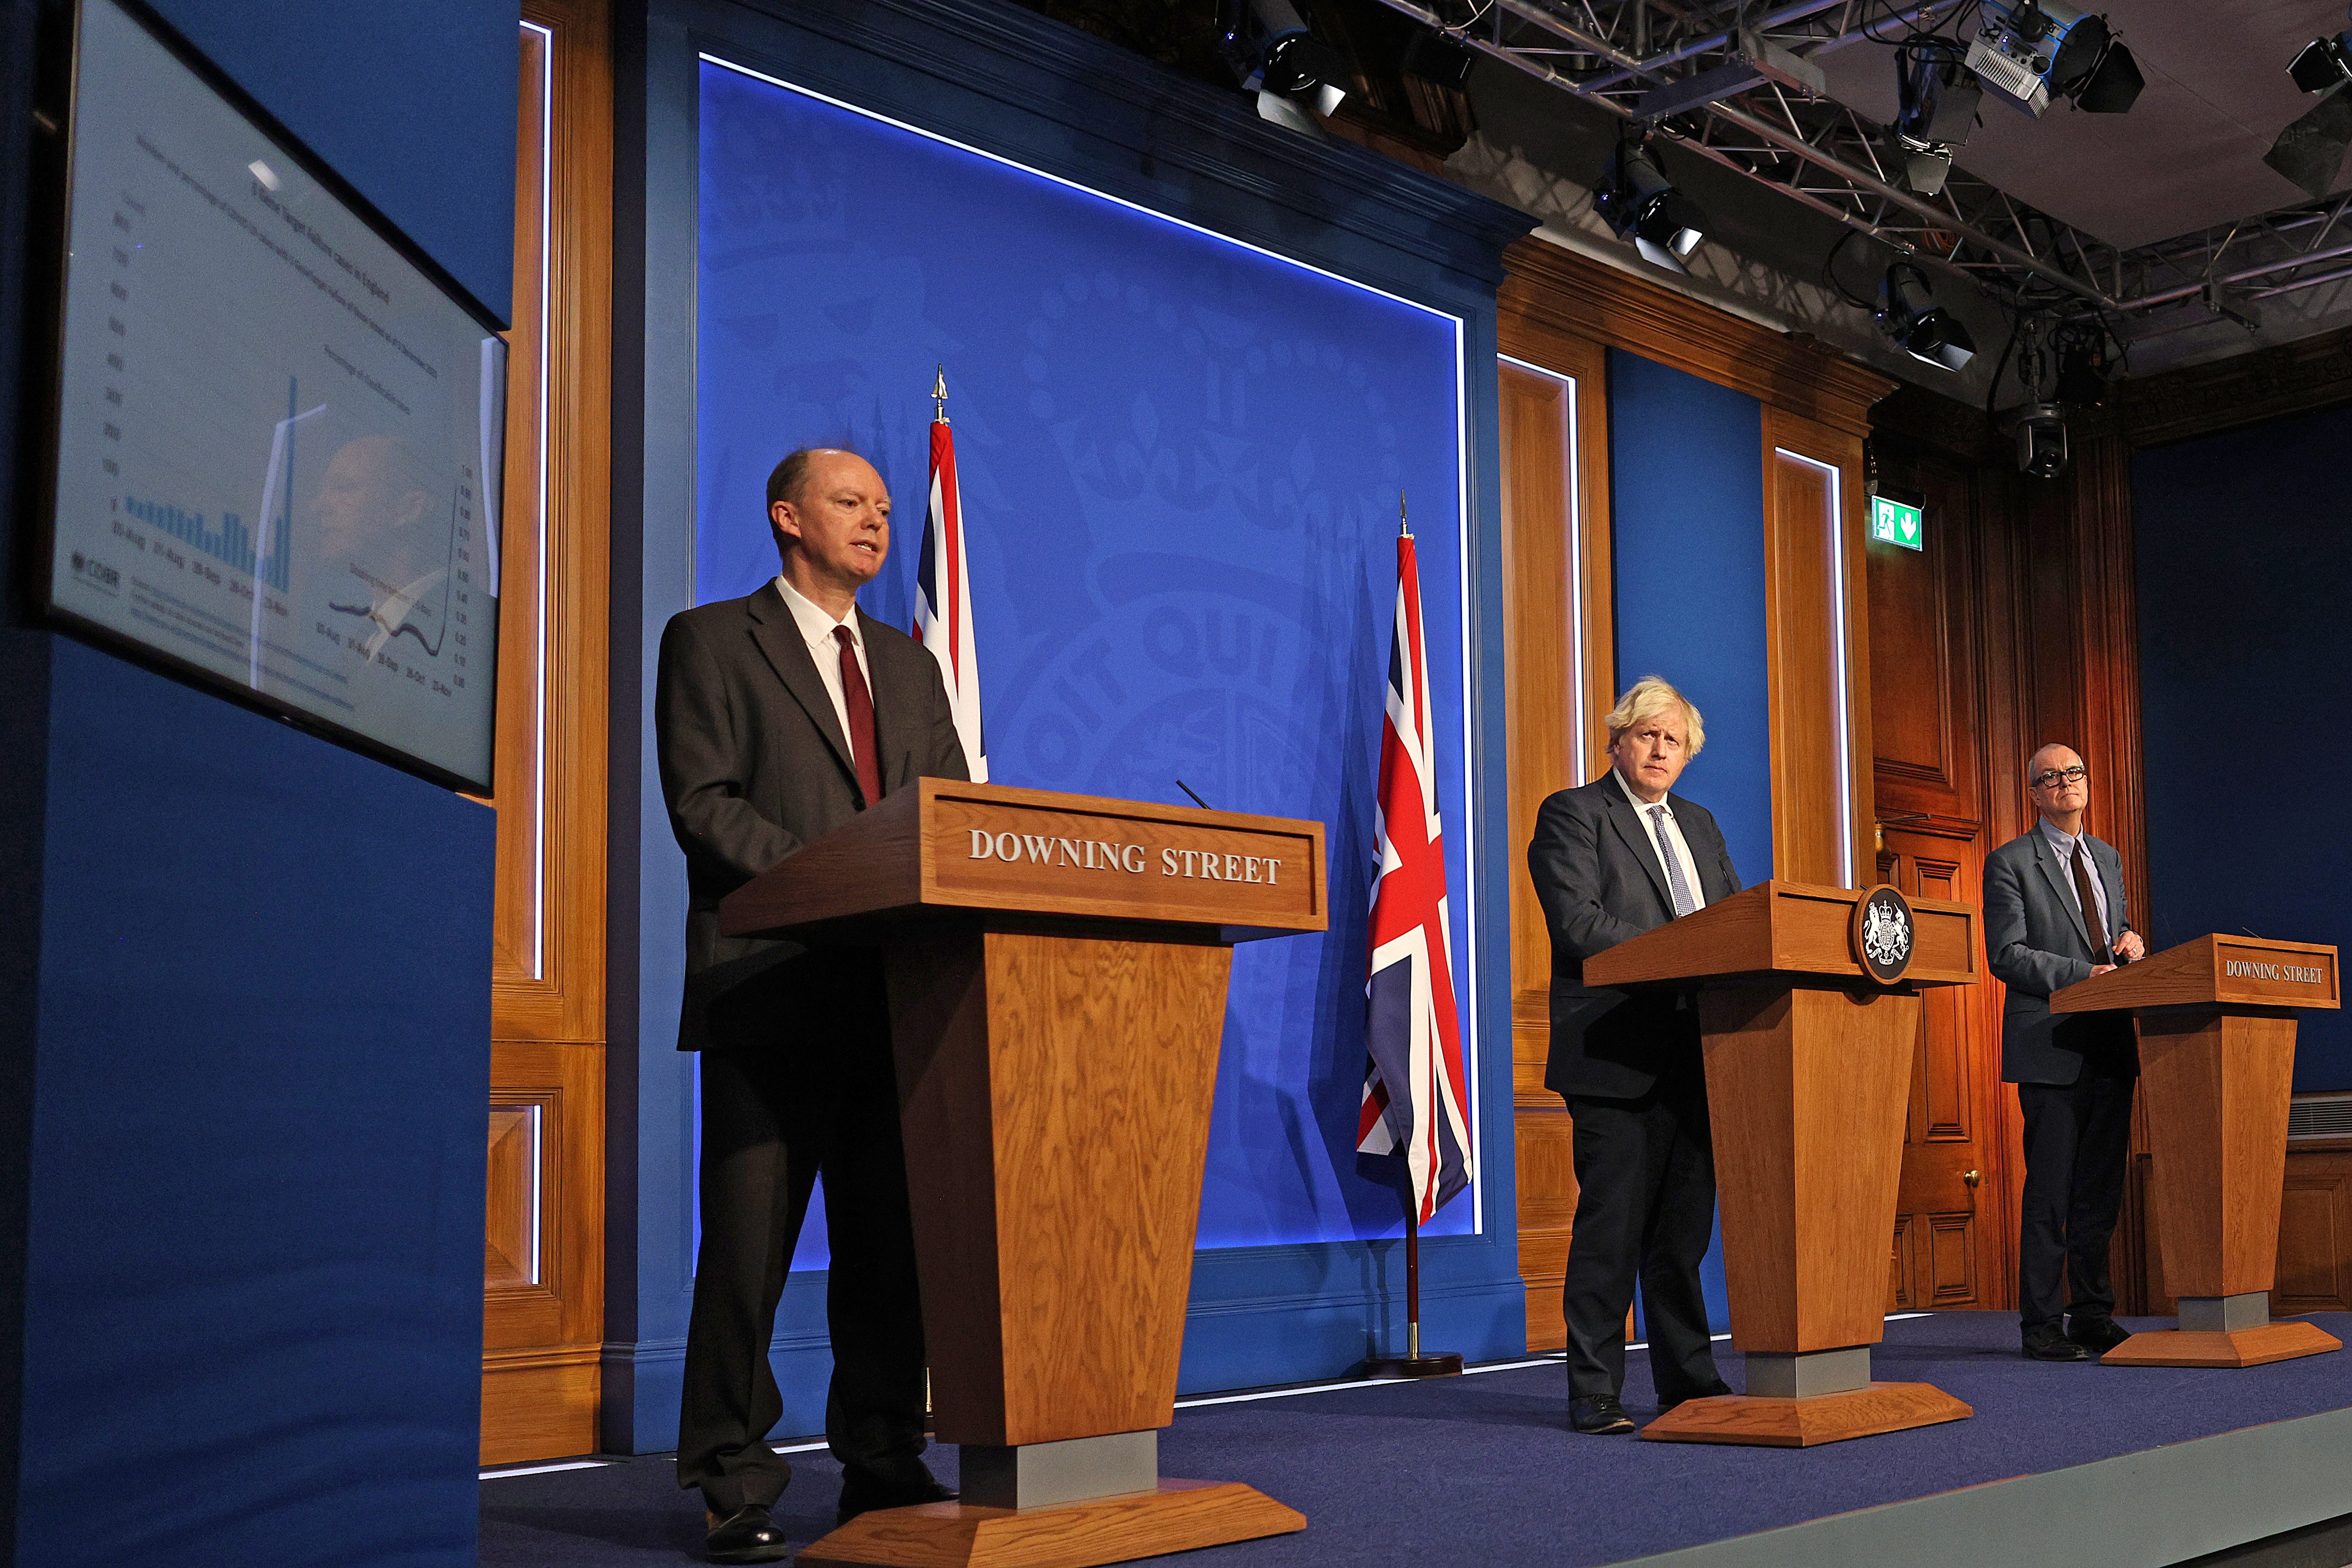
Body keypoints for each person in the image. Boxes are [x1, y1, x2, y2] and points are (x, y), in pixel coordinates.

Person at [655, 447, 966, 1563]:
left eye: (885, 508)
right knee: (748, 1251)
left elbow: (949, 816)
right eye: (851, 503)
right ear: (788, 516)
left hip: (897, 996)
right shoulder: (708, 639)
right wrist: (834, 881)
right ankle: (729, 1479)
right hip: (773, 989)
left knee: (890, 1249)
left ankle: (881, 1455)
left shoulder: (909, 665)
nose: (876, 522)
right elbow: (704, 804)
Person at [1525, 676, 1741, 1435]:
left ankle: (1687, 1380)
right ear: (1617, 740)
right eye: (1646, 733)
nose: (1658, 748)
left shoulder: (1702, 824)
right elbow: (1580, 924)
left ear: (1686, 756)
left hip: (1699, 1053)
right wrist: (1686, 953)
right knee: (1609, 1232)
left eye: (1672, 739)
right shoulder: (1575, 814)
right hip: (1615, 1052)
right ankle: (1594, 1391)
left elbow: (1736, 923)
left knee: (1681, 1236)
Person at [1984, 743, 2146, 1362]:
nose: (2064, 783)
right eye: (2049, 777)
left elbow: (2112, 936)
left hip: (2109, 1043)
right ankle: (2041, 1323)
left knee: (2098, 1190)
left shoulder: (2106, 857)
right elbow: (2007, 954)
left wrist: (2128, 941)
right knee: (2049, 1190)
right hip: (2049, 1046)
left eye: (2074, 772)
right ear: (2032, 794)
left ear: (2087, 783)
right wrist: (2086, 973)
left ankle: (2092, 1313)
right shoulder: (2009, 863)